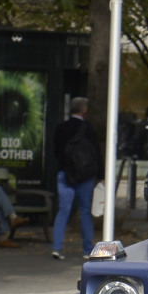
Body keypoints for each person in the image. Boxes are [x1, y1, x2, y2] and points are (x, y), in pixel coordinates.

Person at [52, 97, 101, 260]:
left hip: (65, 173)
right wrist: (101, 175)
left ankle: (57, 247)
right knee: (85, 211)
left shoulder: (61, 128)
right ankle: (87, 249)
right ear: (84, 111)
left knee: (63, 210)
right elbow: (96, 153)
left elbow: (56, 152)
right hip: (84, 176)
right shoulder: (88, 129)